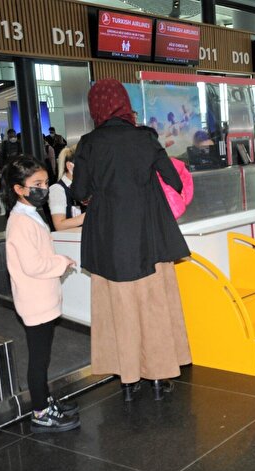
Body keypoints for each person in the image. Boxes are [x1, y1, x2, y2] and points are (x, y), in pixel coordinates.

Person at [71, 79, 192, 402]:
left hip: (108, 240)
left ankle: (127, 381)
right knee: (153, 305)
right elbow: (174, 180)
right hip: (149, 236)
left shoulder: (89, 143)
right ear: (124, 102)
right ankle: (158, 378)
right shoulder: (145, 137)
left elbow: (80, 191)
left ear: (95, 107)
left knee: (118, 307)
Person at [3, 155, 80, 433]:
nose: (44, 189)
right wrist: (62, 262)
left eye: (45, 183)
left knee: (43, 357)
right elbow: (33, 265)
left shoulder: (30, 213)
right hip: (35, 301)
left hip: (42, 298)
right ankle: (40, 412)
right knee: (38, 359)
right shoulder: (20, 222)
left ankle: (45, 400)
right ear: (18, 188)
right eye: (37, 184)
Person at [49, 145, 85, 231]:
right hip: (70, 238)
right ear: (70, 166)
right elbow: (59, 225)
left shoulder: (86, 186)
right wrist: (91, 214)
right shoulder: (57, 189)